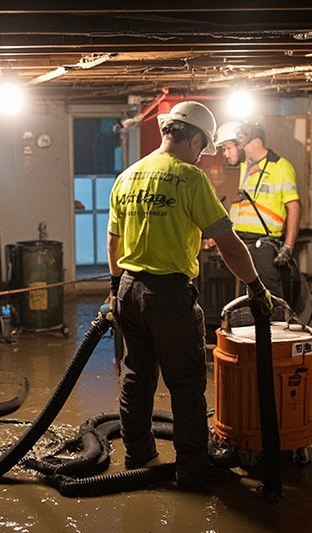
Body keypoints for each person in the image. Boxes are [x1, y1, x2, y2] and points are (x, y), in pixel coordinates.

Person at [107, 101, 271, 486]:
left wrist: (116, 291)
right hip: (168, 294)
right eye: (202, 147)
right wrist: (255, 286)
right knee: (185, 383)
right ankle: (192, 468)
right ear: (194, 138)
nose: (201, 155)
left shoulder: (128, 176)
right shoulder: (190, 178)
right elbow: (229, 245)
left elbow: (114, 242)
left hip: (129, 289)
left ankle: (138, 454)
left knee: (136, 377)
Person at [214, 119, 302, 306]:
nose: (226, 153)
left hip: (265, 246)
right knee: (245, 302)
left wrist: (288, 246)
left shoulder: (280, 167)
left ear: (246, 141)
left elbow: (293, 206)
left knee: (270, 301)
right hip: (241, 242)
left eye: (230, 147)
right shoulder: (245, 168)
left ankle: (273, 334)